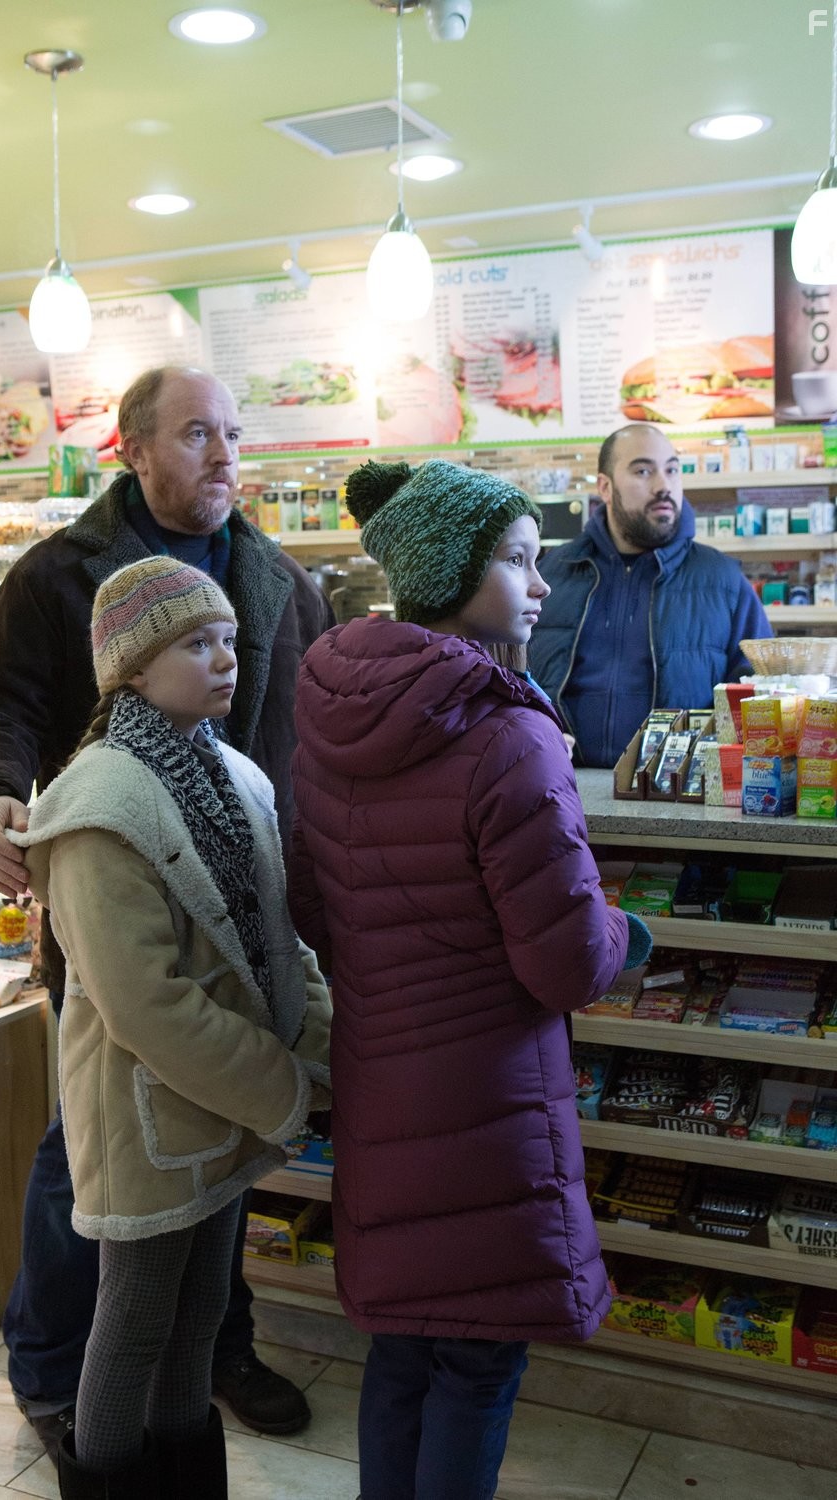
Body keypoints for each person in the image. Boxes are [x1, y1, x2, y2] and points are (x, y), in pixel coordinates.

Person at [0, 365, 334, 1463]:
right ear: (133, 450)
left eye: (233, 434)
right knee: (97, 1149)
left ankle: (218, 1352)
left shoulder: (277, 578)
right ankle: (53, 1364)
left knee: (221, 1154)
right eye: (197, 433)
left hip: (250, 908)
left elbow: (309, 734)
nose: (224, 454)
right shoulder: (58, 577)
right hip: (122, 911)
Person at [286, 458, 652, 1500]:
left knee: (404, 1347)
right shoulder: (507, 733)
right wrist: (633, 935)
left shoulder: (327, 715)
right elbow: (568, 960)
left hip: (382, 1082)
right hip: (488, 1104)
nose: (542, 586)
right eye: (519, 561)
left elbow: (312, 904)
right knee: (479, 1358)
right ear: (450, 570)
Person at [9, 556, 332, 1498]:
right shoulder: (96, 806)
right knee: (136, 1318)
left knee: (200, 1321)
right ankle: (107, 1478)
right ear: (132, 671)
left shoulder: (233, 774)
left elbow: (280, 941)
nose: (226, 660)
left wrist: (316, 1048)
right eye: (196, 644)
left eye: (230, 638)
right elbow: (145, 1002)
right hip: (151, 1116)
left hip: (227, 1110)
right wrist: (284, 1086)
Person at [527, 422, 772, 767]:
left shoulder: (724, 582)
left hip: (677, 799)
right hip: (559, 787)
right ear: (605, 487)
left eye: (672, 470)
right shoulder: (552, 576)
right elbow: (509, 682)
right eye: (643, 470)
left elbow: (757, 696)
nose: (663, 485)